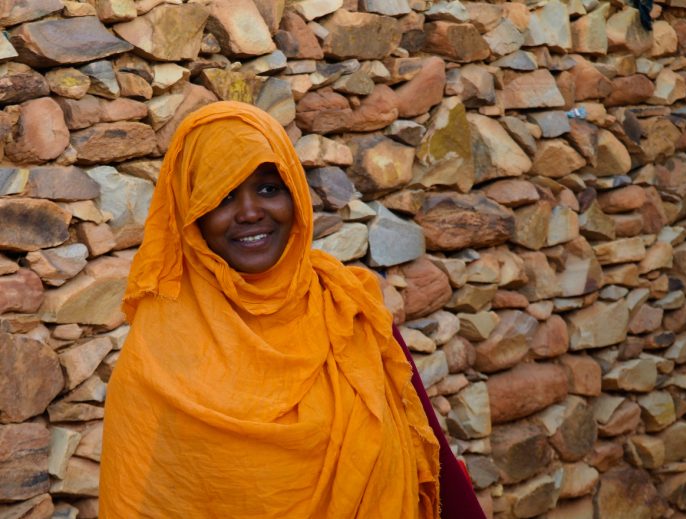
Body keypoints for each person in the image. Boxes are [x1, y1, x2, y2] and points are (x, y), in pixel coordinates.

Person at [100, 101, 485, 518]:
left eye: (269, 188)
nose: (250, 213)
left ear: (296, 196)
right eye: (222, 194)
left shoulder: (348, 309)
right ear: (190, 212)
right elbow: (141, 500)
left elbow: (432, 463)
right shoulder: (157, 357)